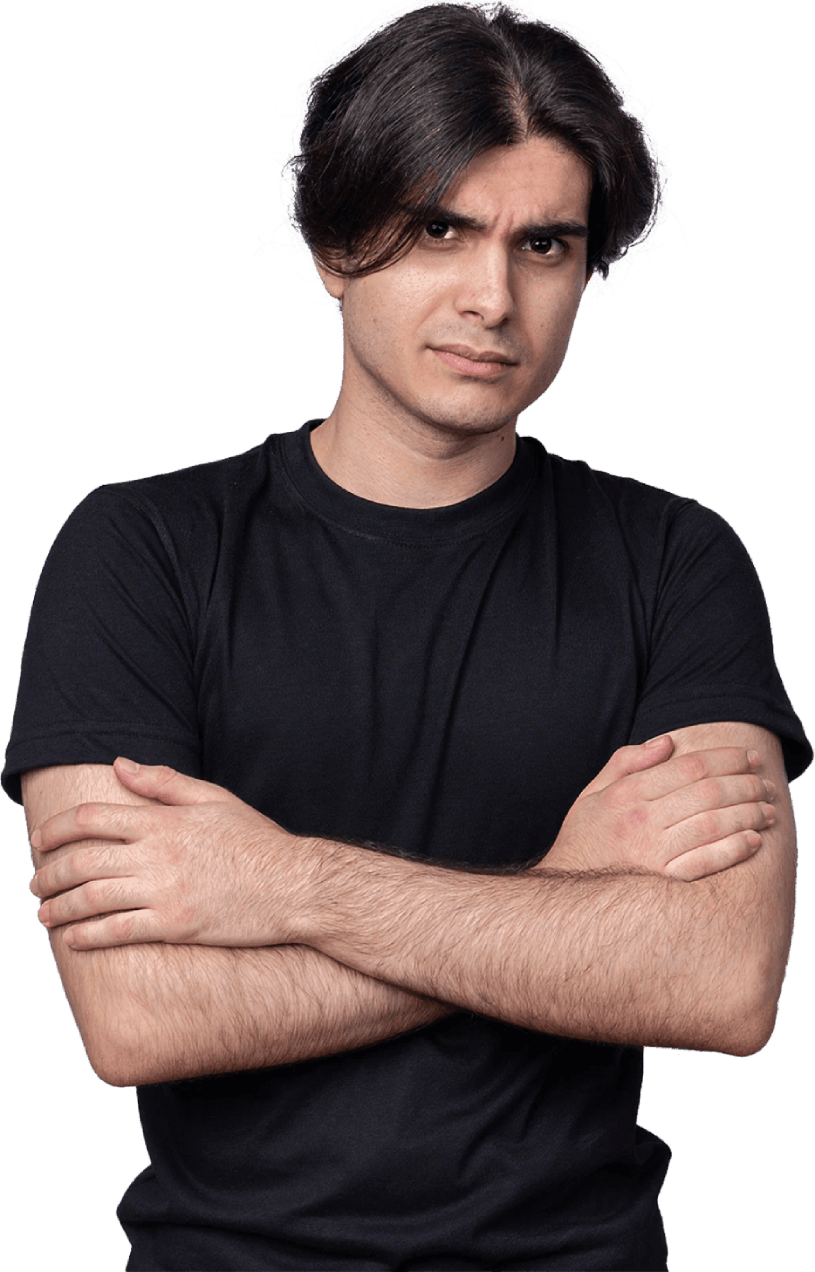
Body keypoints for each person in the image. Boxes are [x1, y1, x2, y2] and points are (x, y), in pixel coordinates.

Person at [3, 2, 811, 1269]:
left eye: (542, 245)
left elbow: (717, 982)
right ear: (333, 244)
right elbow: (140, 1018)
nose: (492, 298)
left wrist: (281, 885)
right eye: (440, 229)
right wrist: (562, 893)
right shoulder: (141, 552)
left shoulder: (672, 561)